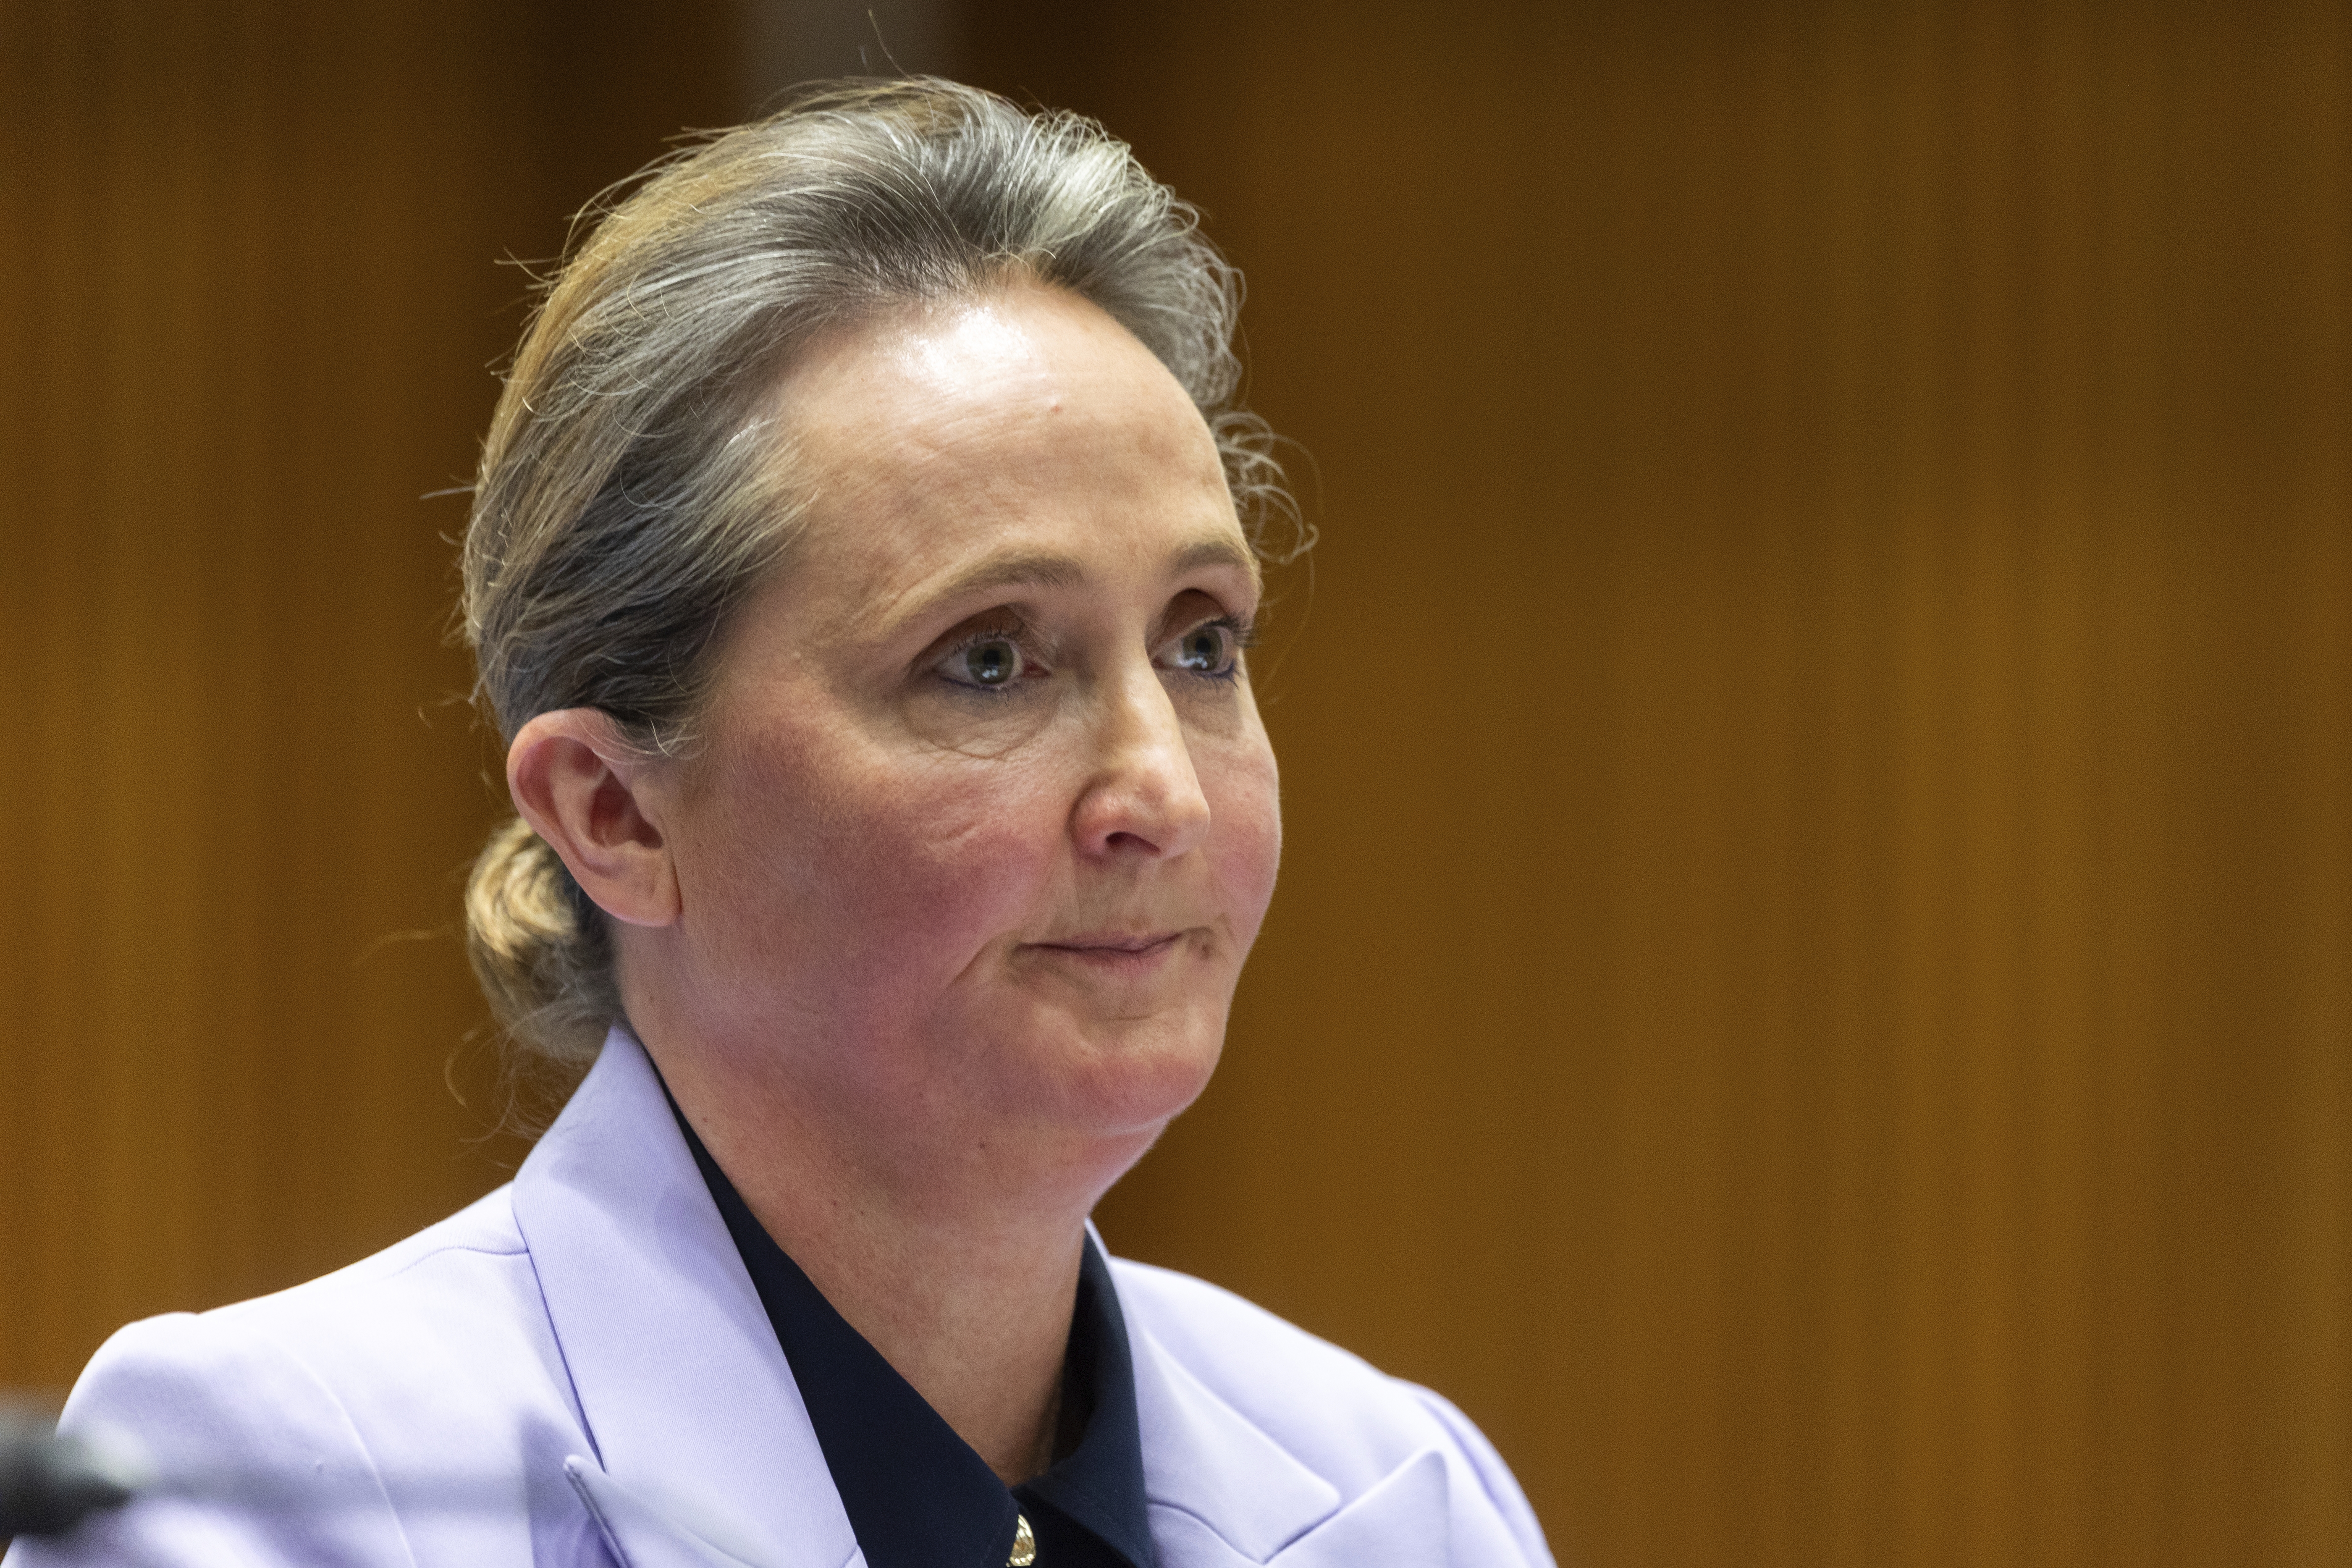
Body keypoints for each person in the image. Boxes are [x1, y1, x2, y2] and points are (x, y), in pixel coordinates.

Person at [9, 80, 1553, 1568]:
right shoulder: (288, 1497)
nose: (1160, 791)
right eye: (989, 661)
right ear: (613, 815)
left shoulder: (1402, 1494)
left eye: (1201, 643)